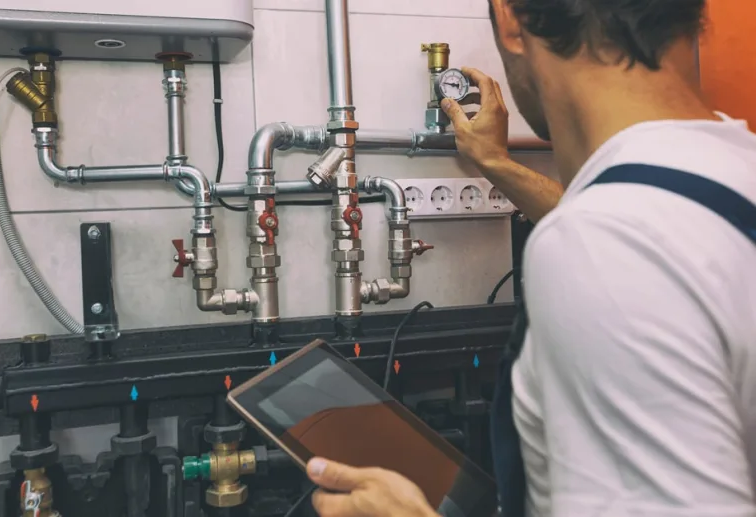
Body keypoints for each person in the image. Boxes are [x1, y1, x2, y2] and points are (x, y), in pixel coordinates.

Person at [305, 0, 756, 516]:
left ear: (510, 17)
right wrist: (497, 164)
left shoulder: (604, 248)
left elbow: (624, 246)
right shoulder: (731, 167)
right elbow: (657, 229)